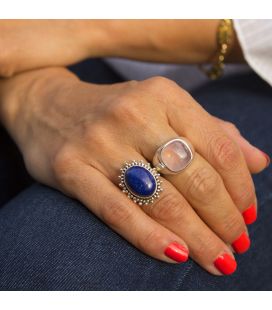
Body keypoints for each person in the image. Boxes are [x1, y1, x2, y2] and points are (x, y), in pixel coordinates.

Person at [0, 19, 271, 290]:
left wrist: (81, 28)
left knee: (47, 264)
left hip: (255, 74)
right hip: (46, 54)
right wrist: (31, 93)